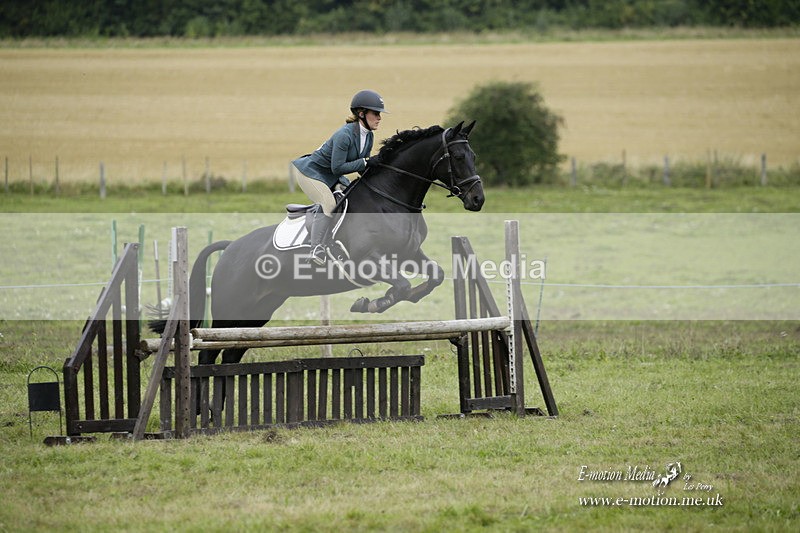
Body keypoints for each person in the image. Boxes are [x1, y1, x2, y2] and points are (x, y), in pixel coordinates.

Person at [292, 89, 388, 265]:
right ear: (361, 114)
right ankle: (316, 249)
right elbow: (338, 168)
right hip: (311, 173)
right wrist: (367, 162)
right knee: (328, 203)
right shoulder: (345, 135)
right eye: (375, 113)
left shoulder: (369, 136)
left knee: (352, 198)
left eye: (379, 114)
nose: (379, 118)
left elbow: (362, 166)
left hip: (329, 175)